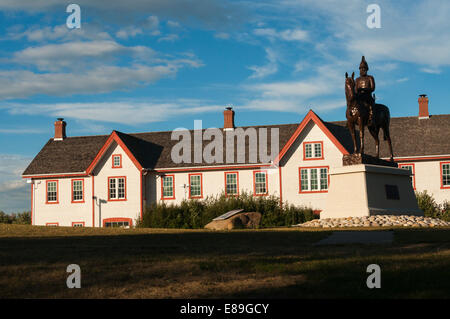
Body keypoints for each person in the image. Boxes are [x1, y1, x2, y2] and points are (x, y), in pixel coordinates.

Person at [355, 56, 375, 124]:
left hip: (367, 95)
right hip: (359, 96)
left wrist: (365, 89)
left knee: (370, 105)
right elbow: (355, 89)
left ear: (366, 69)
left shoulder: (370, 78)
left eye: (364, 69)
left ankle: (370, 117)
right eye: (361, 69)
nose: (362, 70)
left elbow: (372, 88)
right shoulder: (357, 79)